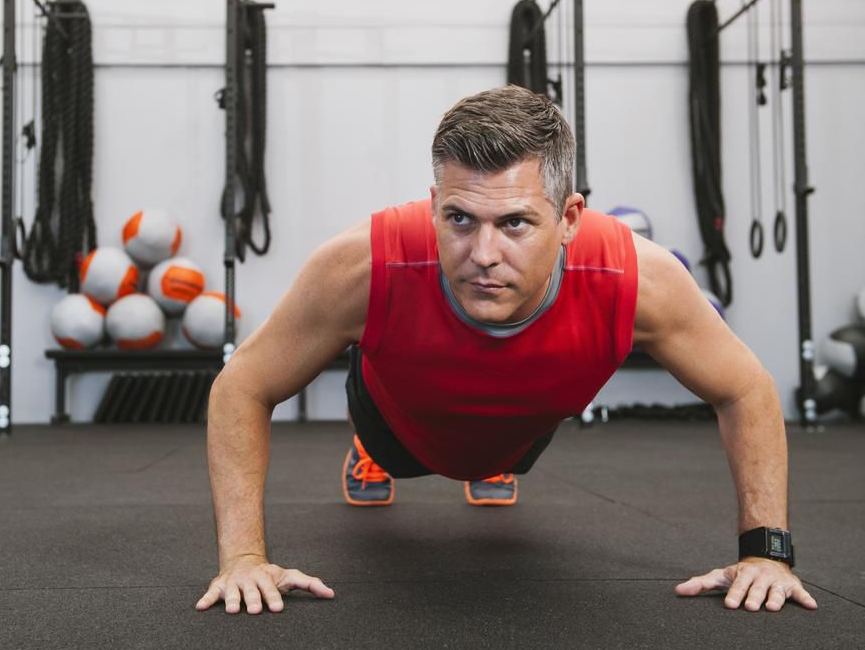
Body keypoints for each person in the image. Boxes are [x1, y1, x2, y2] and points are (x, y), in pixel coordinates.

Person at [196, 85, 817, 616]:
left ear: (570, 218)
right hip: (397, 419)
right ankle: (371, 451)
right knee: (395, 449)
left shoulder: (635, 279)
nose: (484, 254)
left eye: (516, 223)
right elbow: (243, 383)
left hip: (523, 423)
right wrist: (244, 559)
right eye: (460, 219)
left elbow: (745, 388)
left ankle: (492, 452)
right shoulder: (364, 264)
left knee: (507, 453)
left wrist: (767, 553)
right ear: (434, 204)